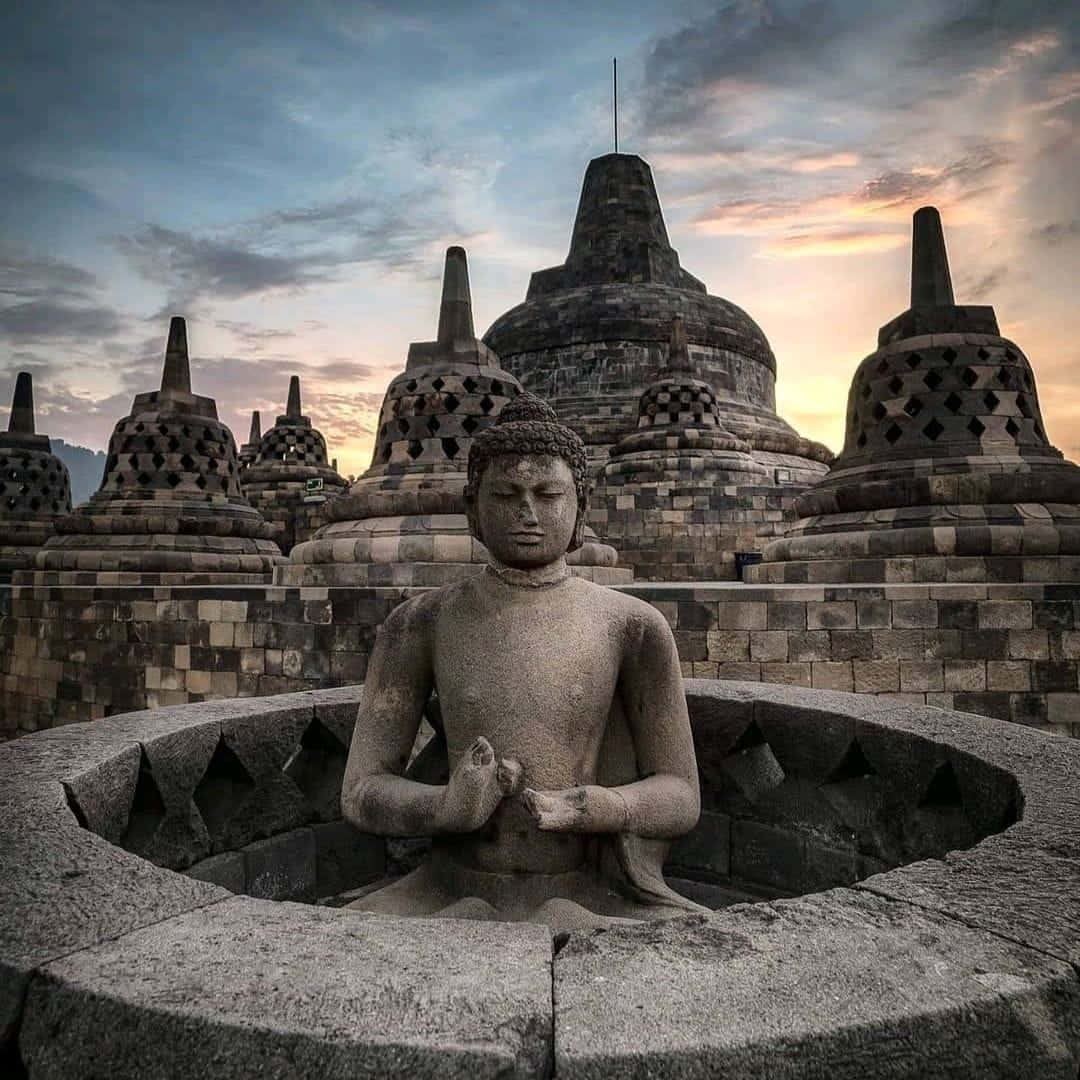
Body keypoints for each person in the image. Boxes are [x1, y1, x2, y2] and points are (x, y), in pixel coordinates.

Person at [342, 393, 704, 929]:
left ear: (581, 504)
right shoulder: (420, 623)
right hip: (448, 888)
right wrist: (444, 808)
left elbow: (681, 795)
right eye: (506, 494)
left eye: (548, 494)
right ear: (473, 510)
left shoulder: (632, 626)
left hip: (586, 893)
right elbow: (360, 790)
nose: (528, 513)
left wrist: (602, 807)